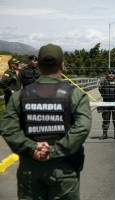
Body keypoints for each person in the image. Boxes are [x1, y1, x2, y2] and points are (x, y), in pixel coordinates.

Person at [0, 44, 92, 200]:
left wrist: (32, 148)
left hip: (30, 169)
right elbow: (82, 128)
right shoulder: (74, 95)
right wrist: (55, 151)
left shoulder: (20, 96)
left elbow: (8, 129)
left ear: (39, 65)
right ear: (62, 64)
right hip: (64, 170)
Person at [98, 68, 115, 139]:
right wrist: (104, 95)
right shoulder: (103, 81)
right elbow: (100, 88)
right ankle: (104, 134)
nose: (111, 74)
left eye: (113, 73)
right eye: (110, 73)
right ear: (107, 73)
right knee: (105, 119)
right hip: (106, 103)